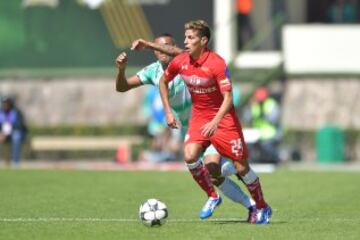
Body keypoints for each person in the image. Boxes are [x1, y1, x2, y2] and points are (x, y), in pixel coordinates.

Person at [116, 33, 257, 223]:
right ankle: (251, 205)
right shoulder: (153, 71)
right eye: (158, 49)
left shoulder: (187, 61)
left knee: (213, 167)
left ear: (173, 47)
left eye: (165, 46)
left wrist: (149, 45)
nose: (162, 51)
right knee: (213, 176)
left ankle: (238, 171)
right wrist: (121, 70)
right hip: (189, 129)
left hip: (208, 121)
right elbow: (122, 87)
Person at [158, 20, 272, 223]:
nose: (185, 41)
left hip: (223, 118)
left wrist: (215, 122)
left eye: (190, 38)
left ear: (203, 40)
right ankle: (212, 195)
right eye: (185, 37)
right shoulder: (181, 61)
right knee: (189, 155)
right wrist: (168, 111)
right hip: (200, 117)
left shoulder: (217, 63)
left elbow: (228, 98)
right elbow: (163, 81)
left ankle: (262, 206)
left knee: (241, 167)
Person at [244, 87, 282, 164]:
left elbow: (274, 119)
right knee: (249, 147)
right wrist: (250, 107)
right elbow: (247, 118)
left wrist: (264, 115)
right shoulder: (254, 105)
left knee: (267, 148)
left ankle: (275, 160)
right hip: (256, 134)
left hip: (270, 134)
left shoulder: (271, 104)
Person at [0, 96, 28, 166]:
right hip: (3, 134)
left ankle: (15, 162)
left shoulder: (16, 112)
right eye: (4, 103)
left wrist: (6, 133)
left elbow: (19, 125)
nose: (5, 105)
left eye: (7, 103)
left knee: (16, 137)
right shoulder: (1, 112)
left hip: (14, 132)